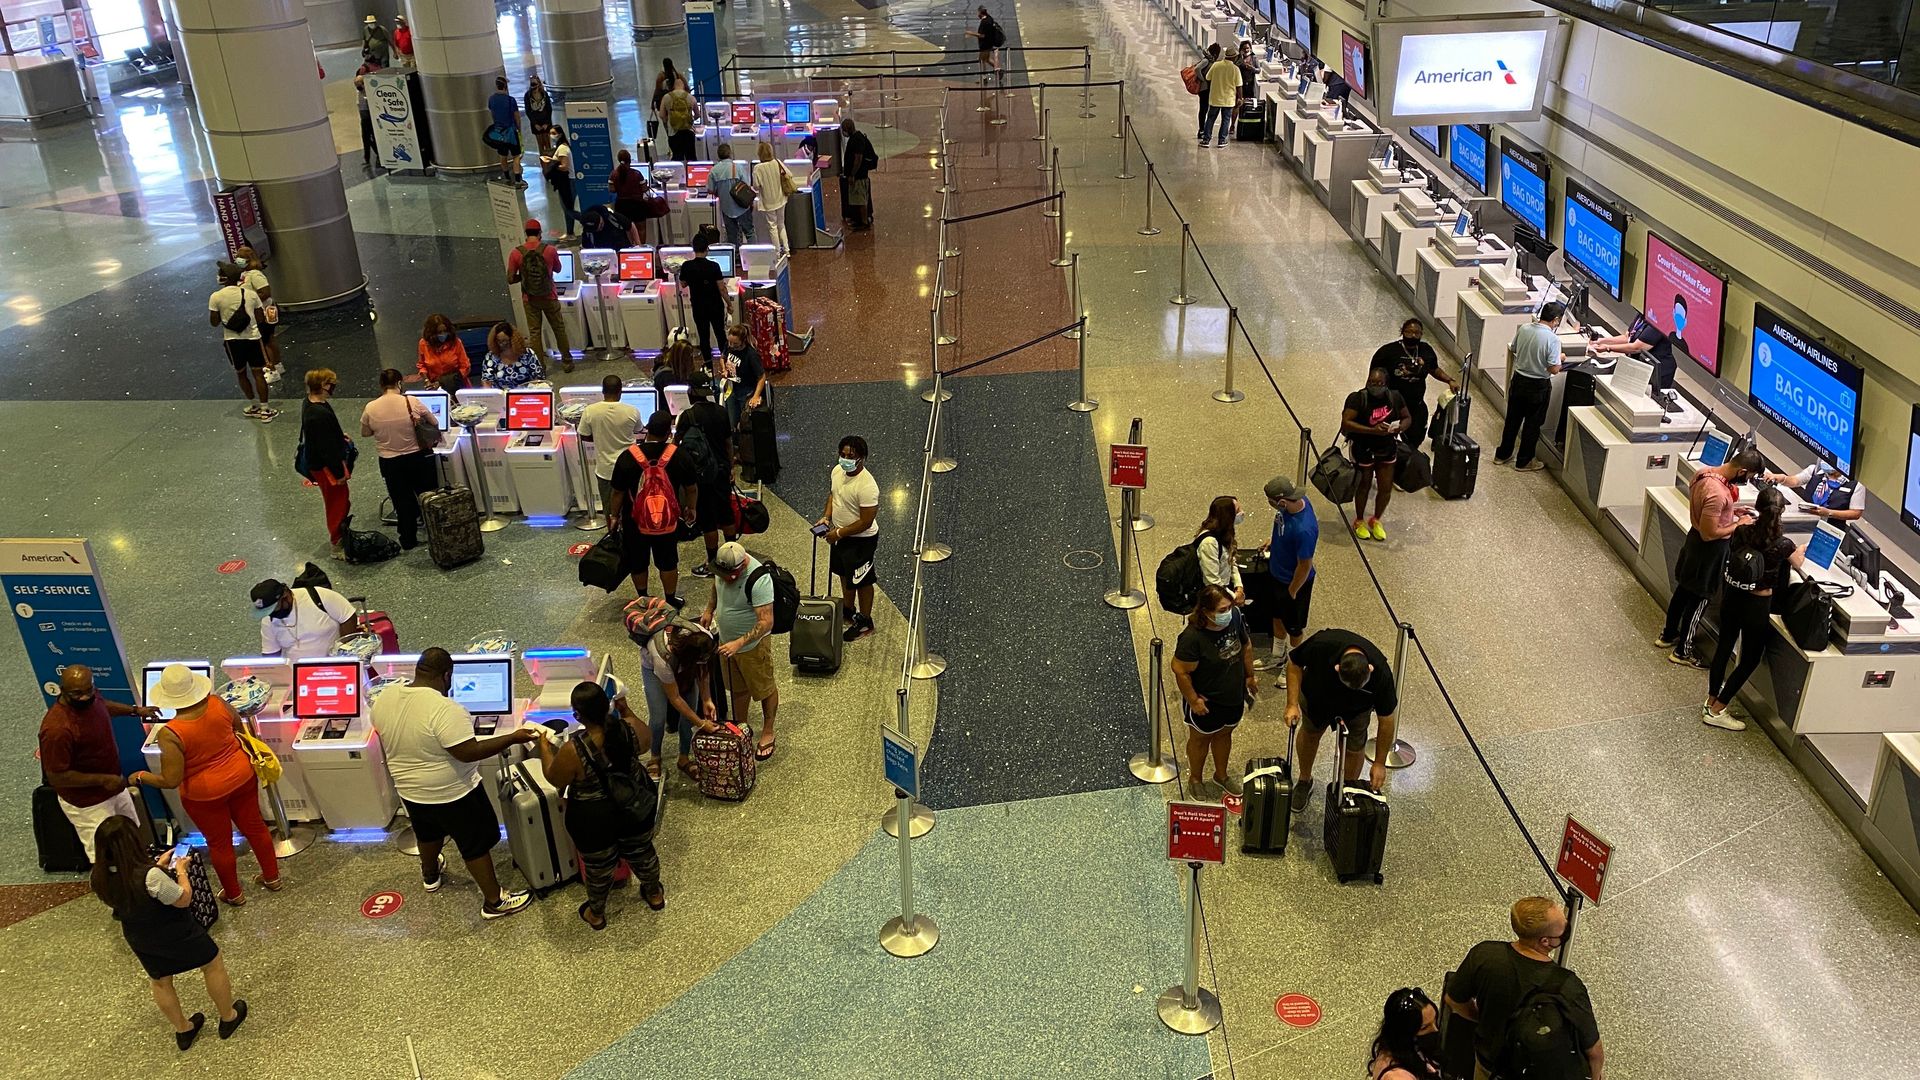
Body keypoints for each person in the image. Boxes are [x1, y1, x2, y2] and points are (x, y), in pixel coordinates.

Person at [369, 648, 538, 919]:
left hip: (409, 790)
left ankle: (430, 874)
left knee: (427, 833)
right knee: (474, 845)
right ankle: (495, 901)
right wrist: (513, 737)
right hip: (453, 792)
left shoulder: (385, 698)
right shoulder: (446, 709)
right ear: (446, 675)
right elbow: (467, 752)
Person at [91, 816, 247, 1050]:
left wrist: (158, 868)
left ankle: (183, 1030)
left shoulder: (99, 877)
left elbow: (131, 893)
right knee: (212, 964)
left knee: (161, 981)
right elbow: (182, 899)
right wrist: (180, 871)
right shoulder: (150, 877)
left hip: (140, 938)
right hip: (176, 932)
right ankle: (228, 1016)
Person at [130, 665, 281, 906]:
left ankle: (234, 894)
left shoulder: (171, 733)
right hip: (242, 776)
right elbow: (237, 730)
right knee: (256, 827)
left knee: (219, 844)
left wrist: (140, 776)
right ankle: (272, 878)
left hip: (204, 795)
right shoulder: (219, 703)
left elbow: (171, 779)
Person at [533, 681, 666, 928]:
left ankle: (596, 913)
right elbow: (646, 741)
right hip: (634, 808)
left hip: (594, 821)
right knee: (643, 853)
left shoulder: (574, 749)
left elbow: (554, 778)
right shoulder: (627, 730)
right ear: (607, 706)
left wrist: (544, 749)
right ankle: (654, 893)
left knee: (598, 868)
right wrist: (626, 711)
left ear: (577, 715)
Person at [1445, 897, 1605, 1080]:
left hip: (1489, 1064)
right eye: (1563, 928)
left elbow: (1453, 1000)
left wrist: (1482, 1018)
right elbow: (1594, 1051)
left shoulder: (1484, 955)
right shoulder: (1568, 985)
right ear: (1545, 941)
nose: (1567, 927)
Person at [1703, 486, 1803, 730]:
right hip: (1757, 604)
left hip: (1732, 596)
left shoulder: (1742, 531)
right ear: (1780, 514)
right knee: (1749, 659)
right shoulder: (1784, 544)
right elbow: (1797, 563)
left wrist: (1742, 519)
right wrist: (1799, 550)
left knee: (1724, 648)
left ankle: (1712, 698)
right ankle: (1718, 709)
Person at [1658, 447, 1762, 667]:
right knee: (1699, 600)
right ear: (1742, 470)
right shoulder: (1718, 494)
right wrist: (1737, 524)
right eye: (1749, 476)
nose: (1747, 480)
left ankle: (1668, 634)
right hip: (1709, 552)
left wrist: (1732, 512)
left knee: (1683, 591)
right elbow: (1709, 534)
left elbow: (1709, 515)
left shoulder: (1704, 473)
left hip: (1693, 542)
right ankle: (1682, 652)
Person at [39, 665, 155, 862]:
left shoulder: (91, 697)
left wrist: (135, 710)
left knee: (132, 834)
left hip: (113, 787)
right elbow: (57, 776)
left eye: (88, 691)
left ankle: (137, 879)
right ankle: (114, 890)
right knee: (105, 854)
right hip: (88, 803)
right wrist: (103, 779)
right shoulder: (57, 730)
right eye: (77, 694)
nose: (85, 697)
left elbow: (102, 705)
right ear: (63, 690)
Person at [1283, 628, 1398, 811]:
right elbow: (1294, 663)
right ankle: (1305, 780)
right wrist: (1292, 704)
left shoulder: (1381, 674)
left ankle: (1347, 789)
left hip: (1357, 710)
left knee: (1354, 748)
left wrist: (1379, 763)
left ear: (1370, 669)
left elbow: (1387, 721)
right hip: (1318, 696)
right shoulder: (1323, 644)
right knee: (1311, 733)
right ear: (1337, 668)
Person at [1172, 584, 1258, 795]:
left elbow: (1245, 645)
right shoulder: (1192, 638)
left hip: (1233, 695)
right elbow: (1180, 670)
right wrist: (1193, 700)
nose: (1227, 613)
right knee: (1200, 739)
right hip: (1207, 701)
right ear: (1205, 611)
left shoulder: (1235, 617)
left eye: (1229, 607)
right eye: (1221, 611)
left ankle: (1221, 775)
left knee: (1224, 734)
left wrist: (1250, 675)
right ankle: (1195, 779)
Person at [608, 411, 700, 606]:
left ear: (647, 429)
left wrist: (614, 515)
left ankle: (643, 598)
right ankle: (670, 599)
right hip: (666, 520)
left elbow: (618, 492)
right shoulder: (678, 455)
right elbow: (691, 488)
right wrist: (691, 508)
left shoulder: (628, 456)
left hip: (635, 519)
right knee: (668, 561)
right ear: (668, 433)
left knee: (638, 560)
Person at [703, 542, 779, 761]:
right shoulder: (723, 569)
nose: (725, 578)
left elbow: (766, 622)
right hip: (727, 646)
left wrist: (739, 643)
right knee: (737, 689)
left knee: (765, 688)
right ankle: (741, 729)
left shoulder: (759, 579)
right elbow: (716, 587)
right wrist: (709, 609)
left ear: (740, 567)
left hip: (753, 648)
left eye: (730, 575)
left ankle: (768, 731)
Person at [360, 368, 438, 551]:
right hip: (416, 458)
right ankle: (435, 532)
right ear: (400, 383)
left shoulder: (371, 407)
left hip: (390, 462)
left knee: (402, 502)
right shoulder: (411, 401)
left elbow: (365, 432)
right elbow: (434, 422)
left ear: (381, 385)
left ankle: (408, 539)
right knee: (427, 496)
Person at [641, 623, 721, 782]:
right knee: (658, 717)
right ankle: (655, 756)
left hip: (685, 664)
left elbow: (703, 670)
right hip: (653, 669)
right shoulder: (662, 657)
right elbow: (675, 698)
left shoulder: (704, 638)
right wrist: (701, 723)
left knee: (690, 711)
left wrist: (707, 699)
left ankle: (683, 757)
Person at [820, 435, 881, 642]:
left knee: (862, 580)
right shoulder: (838, 471)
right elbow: (833, 495)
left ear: (862, 458)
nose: (845, 459)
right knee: (844, 573)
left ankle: (865, 621)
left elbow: (865, 521)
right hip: (841, 535)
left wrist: (838, 533)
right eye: (843, 455)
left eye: (850, 456)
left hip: (861, 541)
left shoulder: (867, 486)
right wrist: (826, 517)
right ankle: (847, 610)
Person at [1258, 476, 1318, 683]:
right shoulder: (1290, 507)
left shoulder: (1304, 529)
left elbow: (1305, 565)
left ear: (1281, 502)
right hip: (1276, 573)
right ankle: (1277, 654)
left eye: (1271, 500)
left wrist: (1292, 591)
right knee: (1276, 616)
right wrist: (1274, 541)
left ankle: (1294, 664)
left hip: (1294, 584)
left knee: (1294, 627)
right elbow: (1282, 527)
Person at [1496, 301, 1566, 472]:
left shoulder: (1525, 328)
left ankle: (1502, 455)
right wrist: (1561, 358)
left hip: (1519, 380)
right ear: (1555, 320)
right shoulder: (1553, 339)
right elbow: (1554, 369)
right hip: (1538, 387)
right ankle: (1524, 461)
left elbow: (1514, 348)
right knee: (1532, 425)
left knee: (1512, 420)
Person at [1342, 368, 1410, 541]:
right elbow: (1347, 423)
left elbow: (1407, 417)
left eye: (1379, 383)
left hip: (1387, 447)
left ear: (1386, 384)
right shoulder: (1358, 398)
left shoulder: (1394, 397)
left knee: (1385, 487)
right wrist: (1372, 431)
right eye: (1372, 382)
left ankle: (1376, 519)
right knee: (1363, 486)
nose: (1375, 386)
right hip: (1363, 448)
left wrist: (1401, 427)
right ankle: (1359, 520)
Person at [1369, 319, 1456, 452]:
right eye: (1409, 332)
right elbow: (1373, 379)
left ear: (1421, 334)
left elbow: (1433, 369)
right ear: (1402, 332)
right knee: (1386, 443)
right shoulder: (1387, 352)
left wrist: (1449, 380)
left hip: (1416, 405)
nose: (1413, 336)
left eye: (1417, 333)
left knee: (1414, 441)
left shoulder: (1426, 350)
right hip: (1392, 406)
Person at [678, 383, 736, 574]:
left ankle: (712, 563)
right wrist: (731, 467)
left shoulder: (688, 416)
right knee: (726, 513)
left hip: (702, 474)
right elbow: (728, 443)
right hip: (721, 470)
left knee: (708, 519)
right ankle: (734, 557)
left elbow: (676, 443)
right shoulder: (721, 411)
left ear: (691, 393)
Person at [208, 262, 274, 422]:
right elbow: (260, 317)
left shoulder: (216, 296)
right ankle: (265, 409)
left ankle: (253, 405)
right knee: (258, 373)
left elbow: (214, 322)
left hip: (232, 341)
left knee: (241, 373)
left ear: (223, 278)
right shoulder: (251, 294)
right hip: (253, 339)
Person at [299, 368, 354, 559]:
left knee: (338, 500)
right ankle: (337, 542)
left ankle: (340, 534)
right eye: (332, 383)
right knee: (336, 503)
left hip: (320, 463)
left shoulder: (311, 403)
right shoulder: (318, 414)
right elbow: (327, 449)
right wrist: (339, 473)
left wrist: (339, 435)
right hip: (327, 468)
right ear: (323, 385)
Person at [508, 218, 574, 371]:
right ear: (539, 233)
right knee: (558, 328)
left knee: (535, 333)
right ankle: (567, 361)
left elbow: (510, 279)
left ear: (526, 233)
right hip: (549, 296)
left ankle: (540, 367)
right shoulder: (549, 250)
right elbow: (558, 269)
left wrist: (523, 276)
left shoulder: (516, 252)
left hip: (529, 299)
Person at [579, 375, 641, 517]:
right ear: (621, 391)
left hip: (605, 470)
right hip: (631, 467)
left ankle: (613, 534)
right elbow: (638, 430)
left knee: (610, 509)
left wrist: (600, 437)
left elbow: (583, 435)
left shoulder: (590, 411)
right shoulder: (632, 411)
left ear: (602, 391)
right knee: (633, 507)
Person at [251, 576, 356, 660]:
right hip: (297, 674)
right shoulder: (268, 620)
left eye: (274, 609)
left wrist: (342, 653)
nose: (272, 615)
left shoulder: (320, 596)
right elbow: (270, 653)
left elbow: (348, 617)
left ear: (286, 596)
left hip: (332, 664)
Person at [1588, 312, 1676, 392]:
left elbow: (1637, 347)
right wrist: (1600, 341)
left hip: (1658, 371)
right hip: (1639, 365)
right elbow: (1627, 338)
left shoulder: (1659, 321)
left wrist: (1608, 348)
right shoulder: (1642, 315)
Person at [1369, 987, 1444, 1080]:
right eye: (1424, 1027)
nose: (1435, 1029)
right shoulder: (1397, 1076)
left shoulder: (1401, 1046)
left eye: (1435, 1020)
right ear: (1405, 1033)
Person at [677, 235, 729, 359]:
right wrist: (729, 304)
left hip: (698, 306)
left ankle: (707, 364)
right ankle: (726, 361)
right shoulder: (714, 266)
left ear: (693, 248)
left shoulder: (687, 266)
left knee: (703, 336)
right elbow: (722, 288)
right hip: (715, 305)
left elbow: (683, 284)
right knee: (720, 333)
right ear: (707, 249)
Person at [1764, 459, 1862, 521]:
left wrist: (1829, 513)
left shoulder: (1856, 485)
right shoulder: (1815, 471)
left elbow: (1856, 513)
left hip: (1831, 528)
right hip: (1805, 521)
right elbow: (1795, 481)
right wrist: (1782, 479)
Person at [235, 246, 281, 374]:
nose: (237, 260)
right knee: (267, 340)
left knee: (266, 341)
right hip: (258, 312)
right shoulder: (244, 274)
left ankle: (273, 369)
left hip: (264, 312)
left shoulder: (255, 274)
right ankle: (276, 365)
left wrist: (250, 300)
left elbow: (266, 292)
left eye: (241, 257)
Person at [719, 322, 767, 431]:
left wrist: (755, 396)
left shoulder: (751, 355)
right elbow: (723, 357)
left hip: (746, 391)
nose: (731, 346)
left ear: (743, 341)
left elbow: (762, 376)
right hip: (731, 388)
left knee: (745, 423)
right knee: (732, 422)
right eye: (730, 342)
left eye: (735, 344)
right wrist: (724, 369)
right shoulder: (729, 345)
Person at [708, 143, 757, 247]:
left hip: (726, 208)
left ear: (718, 155)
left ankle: (735, 257)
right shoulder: (738, 168)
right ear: (730, 153)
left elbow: (710, 189)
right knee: (749, 232)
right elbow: (747, 184)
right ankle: (753, 253)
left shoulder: (713, 171)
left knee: (732, 236)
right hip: (742, 207)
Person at [752, 141, 794, 254]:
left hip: (768, 202)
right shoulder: (777, 162)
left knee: (772, 227)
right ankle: (787, 250)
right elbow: (789, 174)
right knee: (781, 224)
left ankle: (777, 253)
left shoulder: (757, 168)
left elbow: (756, 186)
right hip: (781, 198)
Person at [480, 321, 546, 390]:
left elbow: (538, 378)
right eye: (499, 341)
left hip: (526, 395)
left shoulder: (528, 353)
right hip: (502, 397)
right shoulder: (491, 357)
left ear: (513, 339)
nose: (502, 344)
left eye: (505, 341)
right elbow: (486, 381)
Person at [838, 118, 877, 229]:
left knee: (861, 199)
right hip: (857, 174)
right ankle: (860, 220)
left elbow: (858, 158)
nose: (843, 132)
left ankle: (864, 223)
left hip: (859, 175)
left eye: (844, 130)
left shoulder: (857, 139)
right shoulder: (856, 137)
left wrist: (852, 174)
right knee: (857, 198)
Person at [415, 313, 469, 391]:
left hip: (456, 385)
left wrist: (441, 383)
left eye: (445, 331)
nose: (443, 334)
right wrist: (426, 380)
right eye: (439, 332)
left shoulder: (456, 342)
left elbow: (465, 367)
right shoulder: (423, 344)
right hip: (434, 387)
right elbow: (422, 365)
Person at [485, 76, 524, 186]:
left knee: (503, 156)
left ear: (496, 86)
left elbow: (492, 114)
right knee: (516, 155)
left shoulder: (491, 99)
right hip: (511, 131)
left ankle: (506, 176)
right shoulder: (510, 100)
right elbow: (516, 116)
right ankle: (517, 179)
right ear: (505, 87)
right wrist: (519, 129)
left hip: (498, 132)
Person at [540, 127, 577, 239]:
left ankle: (582, 221)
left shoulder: (562, 149)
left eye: (554, 133)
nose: (551, 135)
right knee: (567, 207)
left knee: (567, 208)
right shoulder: (565, 146)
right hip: (570, 180)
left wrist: (552, 164)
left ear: (560, 134)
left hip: (567, 182)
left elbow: (564, 167)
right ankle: (570, 232)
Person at [1200, 43, 1240, 147]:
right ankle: (1222, 140)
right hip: (1228, 99)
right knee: (1226, 119)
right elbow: (1239, 86)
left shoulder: (1216, 65)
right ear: (1234, 57)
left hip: (1215, 97)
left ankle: (1206, 140)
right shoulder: (1235, 69)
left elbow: (1208, 78)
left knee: (1211, 118)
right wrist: (1240, 98)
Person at [610, 148, 651, 223]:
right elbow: (644, 189)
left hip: (621, 206)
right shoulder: (637, 174)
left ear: (619, 160)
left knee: (625, 229)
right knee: (641, 229)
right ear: (630, 160)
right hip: (637, 205)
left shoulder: (613, 174)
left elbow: (612, 190)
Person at [662, 77, 697, 163]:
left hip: (673, 133)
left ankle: (677, 175)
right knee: (691, 157)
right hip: (688, 132)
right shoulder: (690, 97)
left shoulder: (666, 97)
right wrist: (691, 120)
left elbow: (661, 115)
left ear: (673, 86)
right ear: (684, 86)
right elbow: (698, 114)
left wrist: (669, 121)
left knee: (677, 158)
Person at [965, 6, 1006, 78]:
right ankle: (998, 71)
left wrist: (971, 33)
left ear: (980, 13)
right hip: (989, 43)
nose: (977, 14)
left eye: (978, 12)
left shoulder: (984, 22)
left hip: (985, 45)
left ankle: (984, 77)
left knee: (981, 60)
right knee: (986, 59)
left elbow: (982, 35)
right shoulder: (989, 18)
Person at [649, 58, 682, 141]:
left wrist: (652, 102)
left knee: (667, 126)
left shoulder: (661, 76)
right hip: (676, 102)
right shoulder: (677, 75)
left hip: (664, 103)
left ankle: (671, 147)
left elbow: (657, 90)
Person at [354, 67, 378, 170]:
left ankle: (377, 154)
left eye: (359, 84)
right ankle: (367, 157)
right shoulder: (359, 92)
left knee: (370, 137)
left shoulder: (367, 92)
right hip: (364, 117)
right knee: (366, 138)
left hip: (369, 117)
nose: (358, 87)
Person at [523, 73, 553, 154]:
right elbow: (528, 111)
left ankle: (550, 162)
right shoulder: (528, 95)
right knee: (540, 144)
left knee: (548, 144)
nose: (534, 88)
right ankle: (543, 161)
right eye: (532, 85)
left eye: (535, 84)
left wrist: (547, 123)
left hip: (545, 121)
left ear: (539, 84)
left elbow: (549, 109)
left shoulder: (544, 94)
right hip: (535, 122)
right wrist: (535, 124)